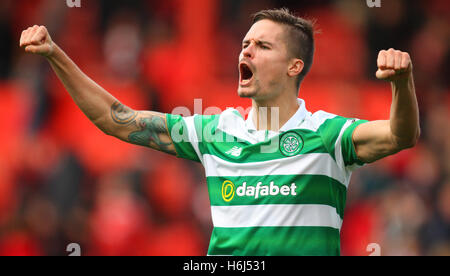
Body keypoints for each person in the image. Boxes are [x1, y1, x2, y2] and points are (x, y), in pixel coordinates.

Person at [19, 8, 420, 256]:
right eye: (245, 43)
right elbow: (116, 119)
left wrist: (402, 84)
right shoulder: (215, 131)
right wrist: (56, 55)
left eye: (263, 46)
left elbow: (402, 136)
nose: (245, 51)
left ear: (294, 66)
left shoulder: (328, 135)